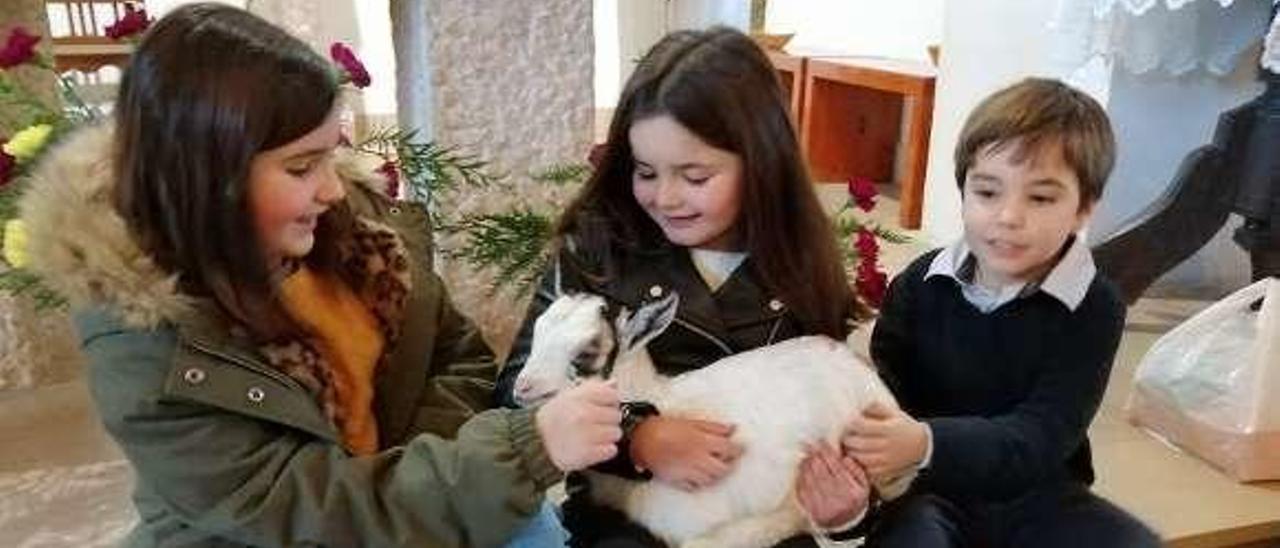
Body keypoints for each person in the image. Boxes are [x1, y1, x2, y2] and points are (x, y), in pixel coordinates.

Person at [18, 4, 622, 546]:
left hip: (396, 497)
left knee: (530, 527)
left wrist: (424, 477)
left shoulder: (357, 240)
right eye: (302, 166)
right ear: (208, 176)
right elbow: (308, 511)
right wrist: (515, 455)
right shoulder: (145, 350)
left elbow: (455, 354)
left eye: (332, 153)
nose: (333, 189)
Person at [496, 26, 871, 548]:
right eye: (646, 172)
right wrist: (637, 439)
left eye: (694, 177)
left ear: (761, 162)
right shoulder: (598, 249)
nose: (666, 197)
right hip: (624, 509)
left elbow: (831, 397)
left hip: (761, 512)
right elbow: (519, 390)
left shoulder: (800, 265)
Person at [849, 78, 1161, 547]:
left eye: (1040, 198)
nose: (1008, 216)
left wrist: (927, 440)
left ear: (1084, 208)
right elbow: (886, 395)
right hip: (927, 489)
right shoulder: (919, 283)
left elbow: (1042, 434)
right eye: (988, 192)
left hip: (1039, 493)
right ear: (964, 191)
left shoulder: (1095, 306)